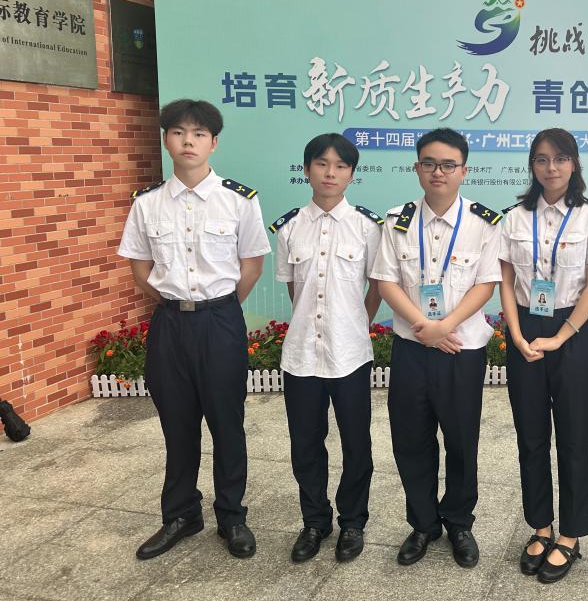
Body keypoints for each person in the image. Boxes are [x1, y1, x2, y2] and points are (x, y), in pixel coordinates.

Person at [118, 99, 271, 560]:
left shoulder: (239, 199)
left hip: (220, 322)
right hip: (170, 325)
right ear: (167, 140)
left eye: (199, 133)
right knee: (177, 425)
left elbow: (251, 265)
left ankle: (232, 516)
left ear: (213, 143)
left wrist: (217, 307)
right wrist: (175, 303)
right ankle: (181, 515)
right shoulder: (146, 203)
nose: (189, 141)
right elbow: (140, 268)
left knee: (227, 424)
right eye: (179, 132)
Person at [369, 127, 502, 569]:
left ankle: (459, 522)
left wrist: (444, 326)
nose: (438, 172)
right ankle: (423, 524)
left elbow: (486, 285)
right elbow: (386, 281)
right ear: (417, 168)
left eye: (448, 164)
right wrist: (424, 327)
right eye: (429, 163)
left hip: (462, 350)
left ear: (464, 170)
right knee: (411, 440)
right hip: (412, 349)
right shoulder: (397, 221)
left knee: (461, 441)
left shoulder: (483, 223)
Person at [498, 129, 588, 583]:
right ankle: (540, 527)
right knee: (530, 435)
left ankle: (570, 534)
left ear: (574, 164)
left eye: (561, 158)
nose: (551, 168)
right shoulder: (514, 218)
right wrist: (516, 333)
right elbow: (506, 282)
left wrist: (561, 336)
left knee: (573, 436)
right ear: (531, 165)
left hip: (573, 332)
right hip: (525, 331)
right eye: (542, 159)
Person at [270, 133, 384, 563]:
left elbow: (376, 287)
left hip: (350, 354)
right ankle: (315, 521)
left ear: (352, 174)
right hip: (301, 355)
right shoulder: (289, 228)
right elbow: (294, 290)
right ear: (307, 170)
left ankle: (353, 522)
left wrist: (357, 322)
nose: (330, 173)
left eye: (340, 166)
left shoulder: (368, 227)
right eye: (321, 164)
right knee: (305, 444)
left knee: (356, 443)